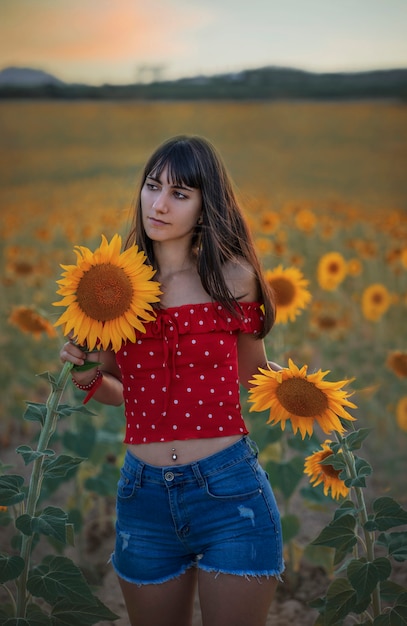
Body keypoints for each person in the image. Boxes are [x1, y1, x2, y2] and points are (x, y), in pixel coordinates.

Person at [60, 135, 284, 626]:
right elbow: (118, 392)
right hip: (144, 497)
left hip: (231, 493)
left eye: (180, 194)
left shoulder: (234, 279)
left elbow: (255, 376)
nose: (158, 204)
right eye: (152, 186)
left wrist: (307, 399)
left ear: (206, 206)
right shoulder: (113, 288)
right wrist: (83, 374)